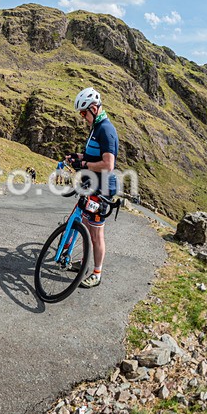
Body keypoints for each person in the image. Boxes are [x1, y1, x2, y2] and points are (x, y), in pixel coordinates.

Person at [64, 87, 119, 289]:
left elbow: (108, 164)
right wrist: (77, 157)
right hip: (91, 185)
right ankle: (84, 263)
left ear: (94, 108)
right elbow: (92, 157)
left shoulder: (105, 129)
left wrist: (84, 166)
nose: (82, 117)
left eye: (83, 112)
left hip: (102, 189)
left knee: (96, 235)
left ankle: (97, 273)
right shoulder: (95, 128)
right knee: (85, 226)